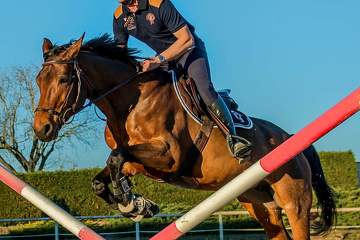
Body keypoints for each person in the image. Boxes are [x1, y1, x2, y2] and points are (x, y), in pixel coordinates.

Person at [113, 0, 251, 159]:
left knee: (204, 90)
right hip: (163, 59)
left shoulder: (158, 4)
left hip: (188, 52)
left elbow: (187, 38)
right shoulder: (119, 16)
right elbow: (119, 55)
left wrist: (158, 60)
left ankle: (235, 139)